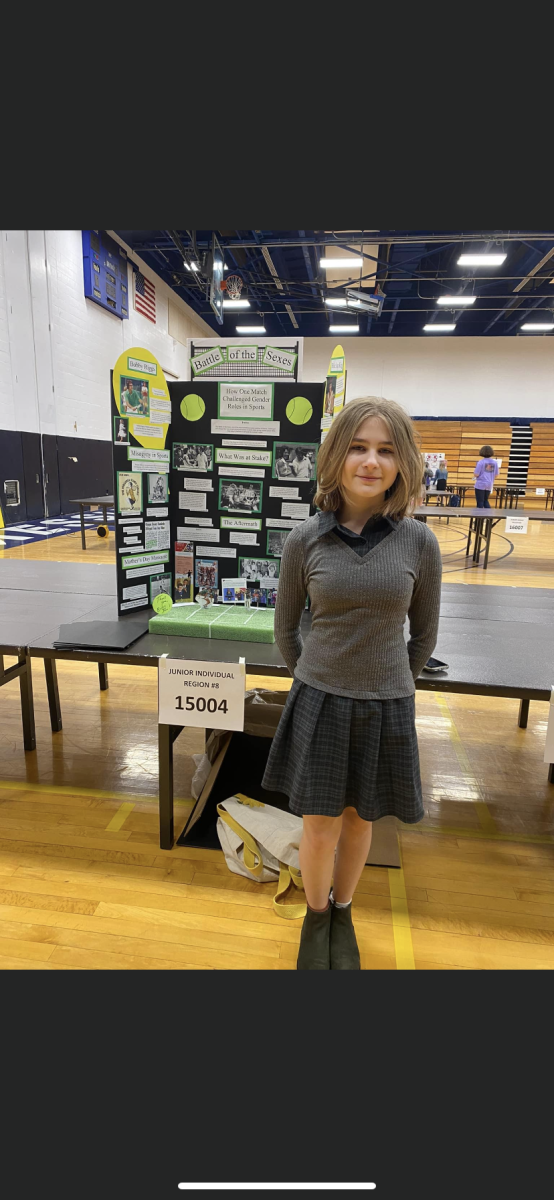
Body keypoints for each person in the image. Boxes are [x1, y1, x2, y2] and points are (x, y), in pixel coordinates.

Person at [262, 396, 442, 970]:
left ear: (403, 463)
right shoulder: (304, 541)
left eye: (386, 450)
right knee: (318, 829)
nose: (371, 461)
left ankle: (344, 911)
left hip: (387, 705)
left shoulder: (420, 543)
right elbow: (286, 629)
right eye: (359, 447)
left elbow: (424, 638)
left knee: (360, 824)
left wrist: (390, 683)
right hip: (318, 701)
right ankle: (317, 920)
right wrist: (316, 677)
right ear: (337, 455)